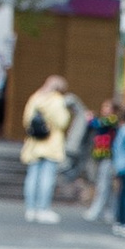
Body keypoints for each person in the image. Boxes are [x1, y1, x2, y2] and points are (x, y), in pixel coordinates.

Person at [20, 73, 74, 223]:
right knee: (46, 178)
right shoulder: (56, 100)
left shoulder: (35, 98)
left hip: (34, 143)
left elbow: (26, 121)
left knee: (32, 177)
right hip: (51, 143)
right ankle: (43, 208)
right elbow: (62, 121)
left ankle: (30, 208)